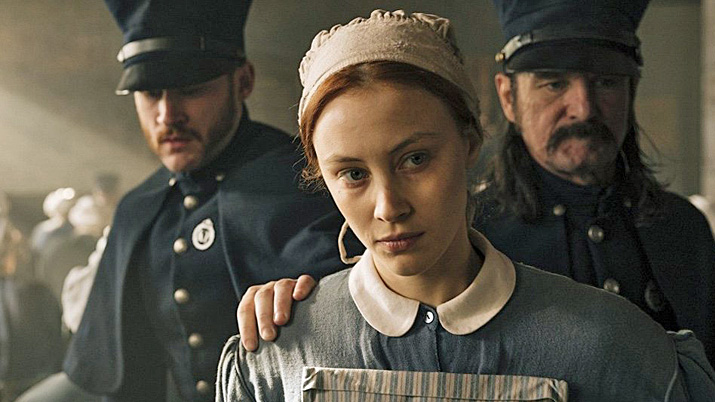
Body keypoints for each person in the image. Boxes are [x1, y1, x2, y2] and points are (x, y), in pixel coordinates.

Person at [216, 10, 715, 401]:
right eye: (352, 174)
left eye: (415, 159)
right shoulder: (278, 350)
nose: (388, 207)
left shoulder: (614, 344)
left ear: (470, 143)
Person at [21, 1, 356, 401]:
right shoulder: (138, 208)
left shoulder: (308, 179)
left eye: (190, 89)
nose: (167, 115)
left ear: (243, 81)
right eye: (150, 93)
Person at [475, 0, 715, 363]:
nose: (583, 109)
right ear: (509, 98)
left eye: (606, 82)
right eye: (554, 84)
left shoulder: (683, 230)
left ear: (631, 92)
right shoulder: (473, 239)